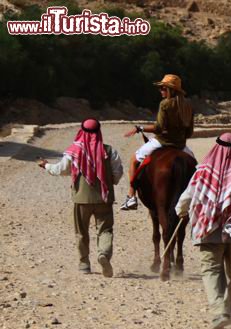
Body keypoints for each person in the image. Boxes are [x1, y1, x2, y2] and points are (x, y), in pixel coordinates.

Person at [38, 118, 124, 277]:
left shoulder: (74, 151)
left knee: (81, 231)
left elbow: (61, 170)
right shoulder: (109, 151)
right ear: (99, 131)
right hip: (104, 198)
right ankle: (103, 254)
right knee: (105, 229)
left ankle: (84, 263)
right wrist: (110, 183)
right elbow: (118, 172)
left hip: (81, 198)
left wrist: (46, 166)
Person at [175, 133, 231, 329]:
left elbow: (188, 195)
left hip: (208, 229)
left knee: (211, 269)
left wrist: (181, 211)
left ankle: (219, 310)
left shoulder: (202, 171)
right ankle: (229, 305)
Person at [121, 74, 195, 211]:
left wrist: (140, 128)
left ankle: (131, 196)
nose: (160, 90)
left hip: (162, 142)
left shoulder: (165, 104)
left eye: (163, 88)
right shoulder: (188, 105)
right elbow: (189, 132)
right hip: (180, 145)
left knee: (133, 160)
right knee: (195, 167)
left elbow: (159, 128)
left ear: (171, 90)